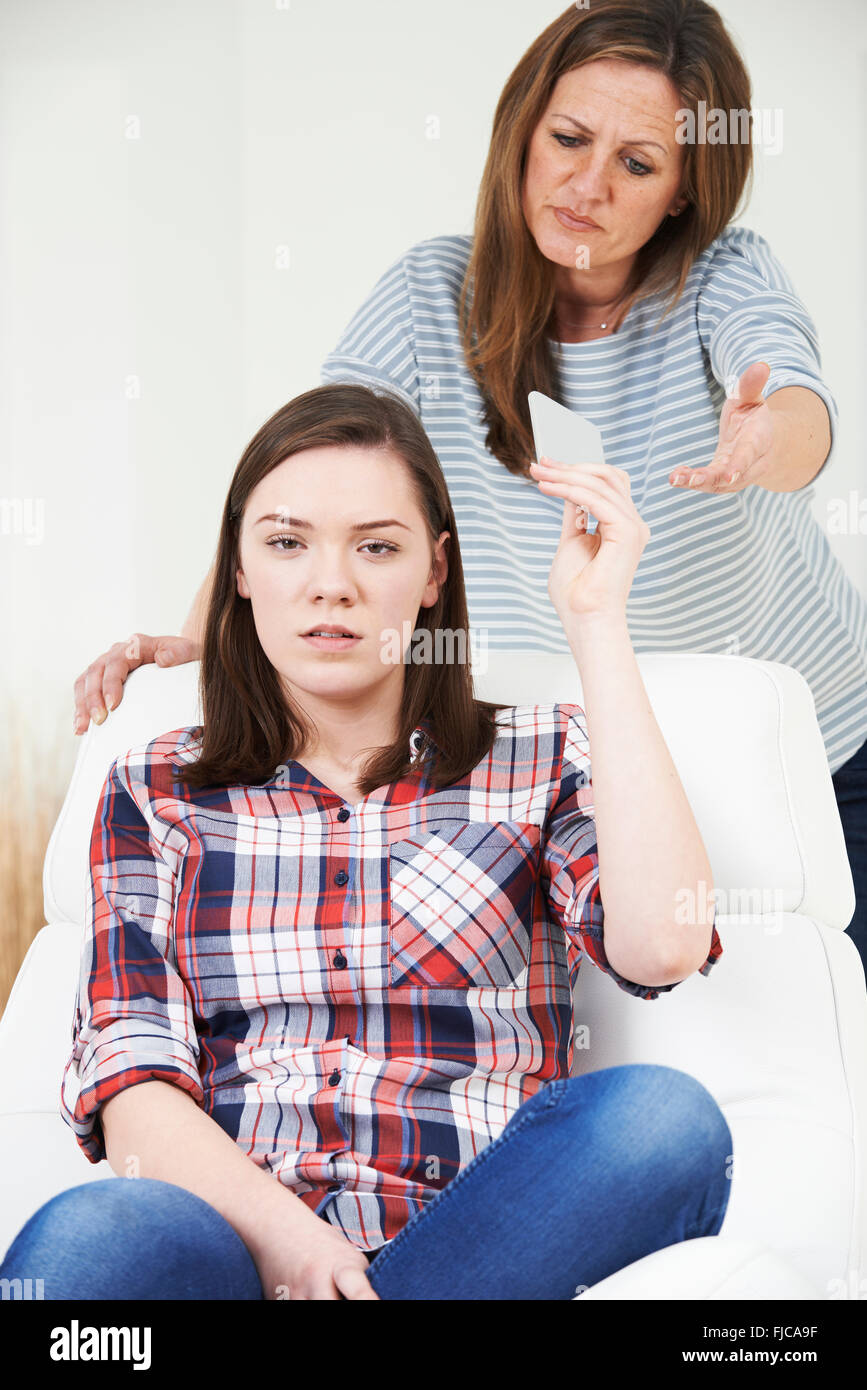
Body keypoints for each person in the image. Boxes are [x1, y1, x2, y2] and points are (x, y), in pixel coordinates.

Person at [72, 0, 867, 970]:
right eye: (569, 139)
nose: (588, 185)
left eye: (638, 163)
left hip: (817, 747)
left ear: (685, 194)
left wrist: (762, 438)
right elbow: (310, 470)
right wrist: (216, 636)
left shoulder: (721, 276)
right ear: (521, 130)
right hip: (603, 742)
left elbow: (793, 398)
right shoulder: (429, 295)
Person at [3, 384, 731, 1301]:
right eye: (285, 542)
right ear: (237, 568)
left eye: (377, 547)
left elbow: (660, 946)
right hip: (242, 1246)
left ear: (434, 573)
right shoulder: (155, 786)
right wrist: (297, 1248)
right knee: (99, 1234)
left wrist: (593, 619)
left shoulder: (541, 756)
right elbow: (132, 1080)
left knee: (661, 1119)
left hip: (478, 1246)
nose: (330, 583)